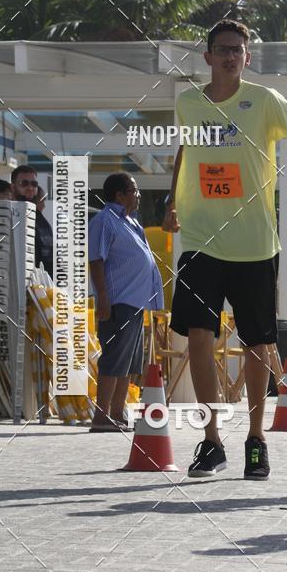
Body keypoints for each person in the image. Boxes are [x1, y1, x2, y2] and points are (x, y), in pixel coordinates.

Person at [163, 19, 287, 480]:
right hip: (200, 240)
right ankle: (211, 439)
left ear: (247, 58)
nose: (231, 56)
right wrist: (173, 202)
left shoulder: (266, 101)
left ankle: (256, 439)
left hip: (255, 244)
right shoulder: (188, 102)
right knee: (198, 335)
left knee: (257, 344)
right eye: (223, 49)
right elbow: (186, 150)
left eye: (238, 50)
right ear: (208, 57)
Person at [89, 173, 164, 432]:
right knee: (113, 359)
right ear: (119, 195)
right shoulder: (104, 220)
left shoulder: (131, 223)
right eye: (134, 190)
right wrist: (103, 299)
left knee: (127, 363)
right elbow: (96, 260)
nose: (138, 194)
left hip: (135, 303)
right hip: (118, 301)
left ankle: (117, 413)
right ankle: (101, 416)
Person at [11, 165, 53, 277]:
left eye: (34, 184)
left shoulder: (38, 217)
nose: (30, 188)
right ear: (13, 187)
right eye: (24, 183)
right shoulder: (10, 215)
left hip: (42, 287)